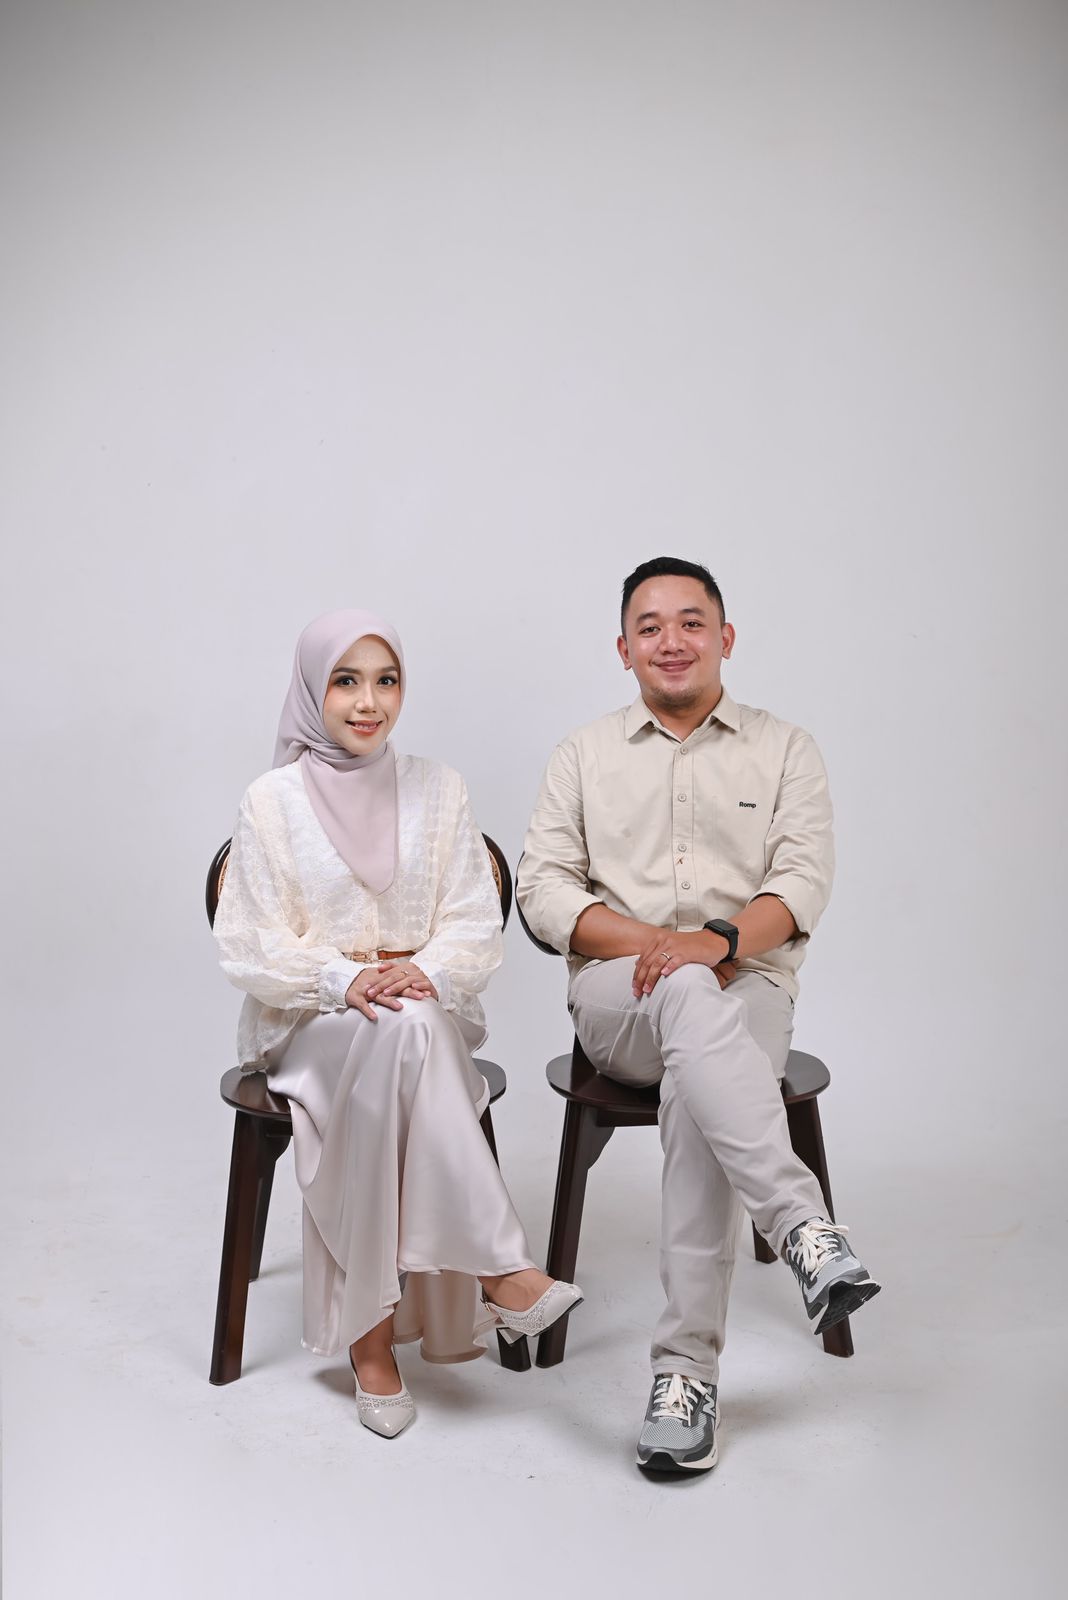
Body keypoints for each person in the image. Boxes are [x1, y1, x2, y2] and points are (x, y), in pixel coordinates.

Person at [517, 557, 879, 1474]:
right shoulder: (582, 754)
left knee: (700, 1079)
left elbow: (801, 883)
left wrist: (715, 944)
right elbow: (544, 893)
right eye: (649, 626)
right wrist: (666, 947)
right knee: (682, 995)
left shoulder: (786, 749)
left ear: (725, 637)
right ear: (623, 649)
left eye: (690, 622)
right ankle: (802, 1227)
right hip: (620, 996)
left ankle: (684, 1377)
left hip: (748, 983)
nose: (670, 640)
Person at [214, 608, 581, 1439]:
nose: (368, 702)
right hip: (309, 1023)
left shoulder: (439, 788)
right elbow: (250, 941)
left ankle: (371, 1341)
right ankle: (501, 1271)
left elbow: (474, 919)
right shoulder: (271, 802)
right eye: (345, 681)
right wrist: (344, 980)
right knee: (403, 1031)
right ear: (312, 690)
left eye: (386, 680)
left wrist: (427, 973)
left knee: (406, 1027)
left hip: (420, 1013)